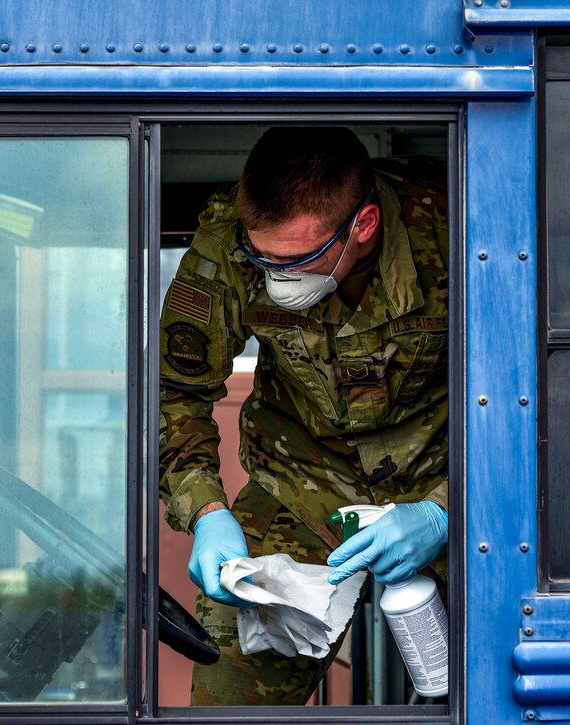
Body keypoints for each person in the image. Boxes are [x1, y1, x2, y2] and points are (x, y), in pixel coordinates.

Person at [158, 126, 449, 705]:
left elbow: (536, 401)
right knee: (231, 704)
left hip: (451, 481)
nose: (276, 275)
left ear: (362, 227)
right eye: (261, 258)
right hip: (300, 482)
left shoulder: (456, 223)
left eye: (296, 260)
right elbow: (173, 393)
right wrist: (205, 510)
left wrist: (449, 513)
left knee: (502, 685)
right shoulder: (228, 244)